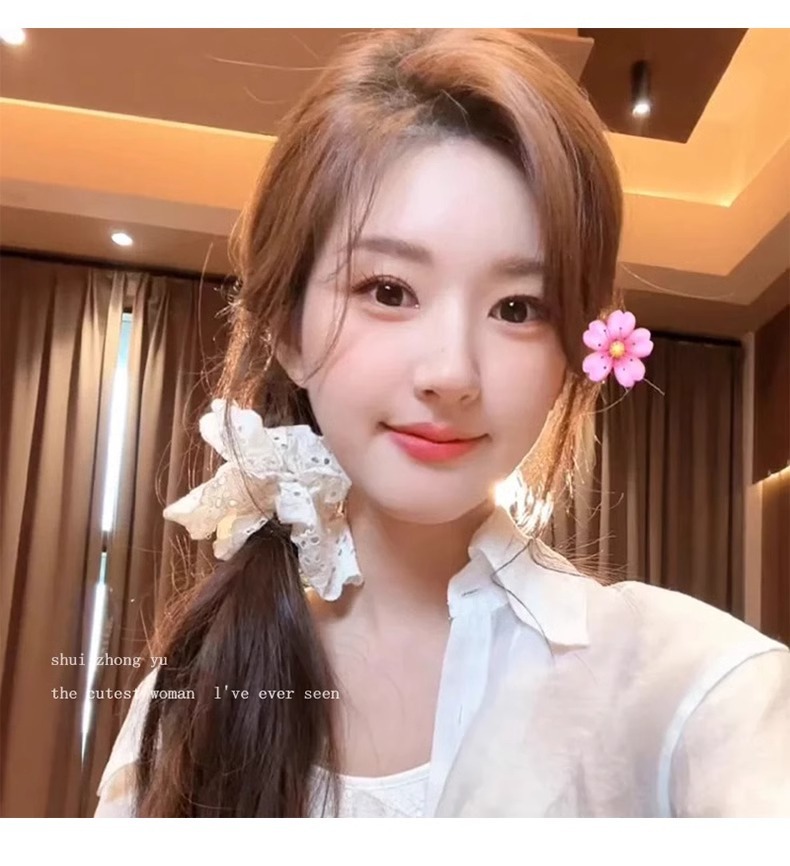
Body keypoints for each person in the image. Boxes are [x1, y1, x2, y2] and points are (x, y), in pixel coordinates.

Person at [94, 28, 789, 818]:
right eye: (389, 290)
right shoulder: (187, 700)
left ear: (575, 350)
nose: (453, 372)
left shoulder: (689, 693)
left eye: (518, 308)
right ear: (287, 331)